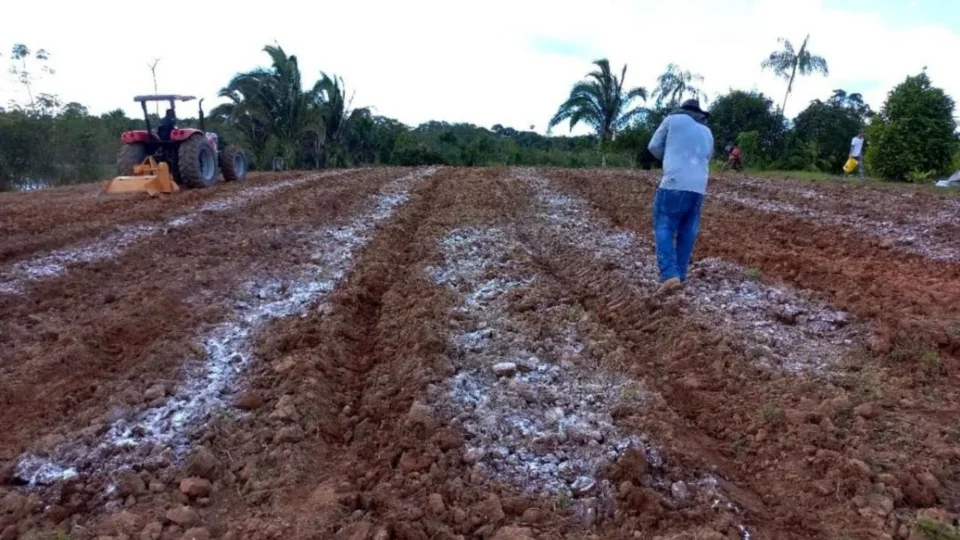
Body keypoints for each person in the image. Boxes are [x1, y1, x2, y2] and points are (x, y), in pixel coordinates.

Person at [647, 99, 715, 295]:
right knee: (688, 229)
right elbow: (707, 156)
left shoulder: (672, 120)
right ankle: (680, 275)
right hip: (698, 186)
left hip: (674, 183)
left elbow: (653, 146)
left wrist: (668, 158)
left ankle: (669, 275)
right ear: (700, 113)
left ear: (682, 110)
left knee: (664, 225)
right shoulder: (707, 131)